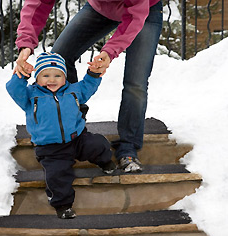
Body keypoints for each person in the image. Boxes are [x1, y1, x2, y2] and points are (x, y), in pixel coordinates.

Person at [14, 0, 163, 173]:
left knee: (135, 82)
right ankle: (73, 132)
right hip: (98, 9)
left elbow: (135, 15)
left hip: (144, 10)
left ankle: (128, 147)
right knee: (59, 56)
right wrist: (25, 43)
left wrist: (109, 52)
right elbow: (38, 3)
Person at [7, 52, 117, 219]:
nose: (52, 79)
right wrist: (21, 76)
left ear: (65, 77)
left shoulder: (73, 90)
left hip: (77, 139)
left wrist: (94, 74)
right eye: (46, 75)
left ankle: (105, 162)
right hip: (50, 148)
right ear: (37, 78)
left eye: (58, 75)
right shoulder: (30, 96)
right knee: (57, 175)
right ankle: (63, 205)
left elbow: (88, 85)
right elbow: (13, 89)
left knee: (98, 143)